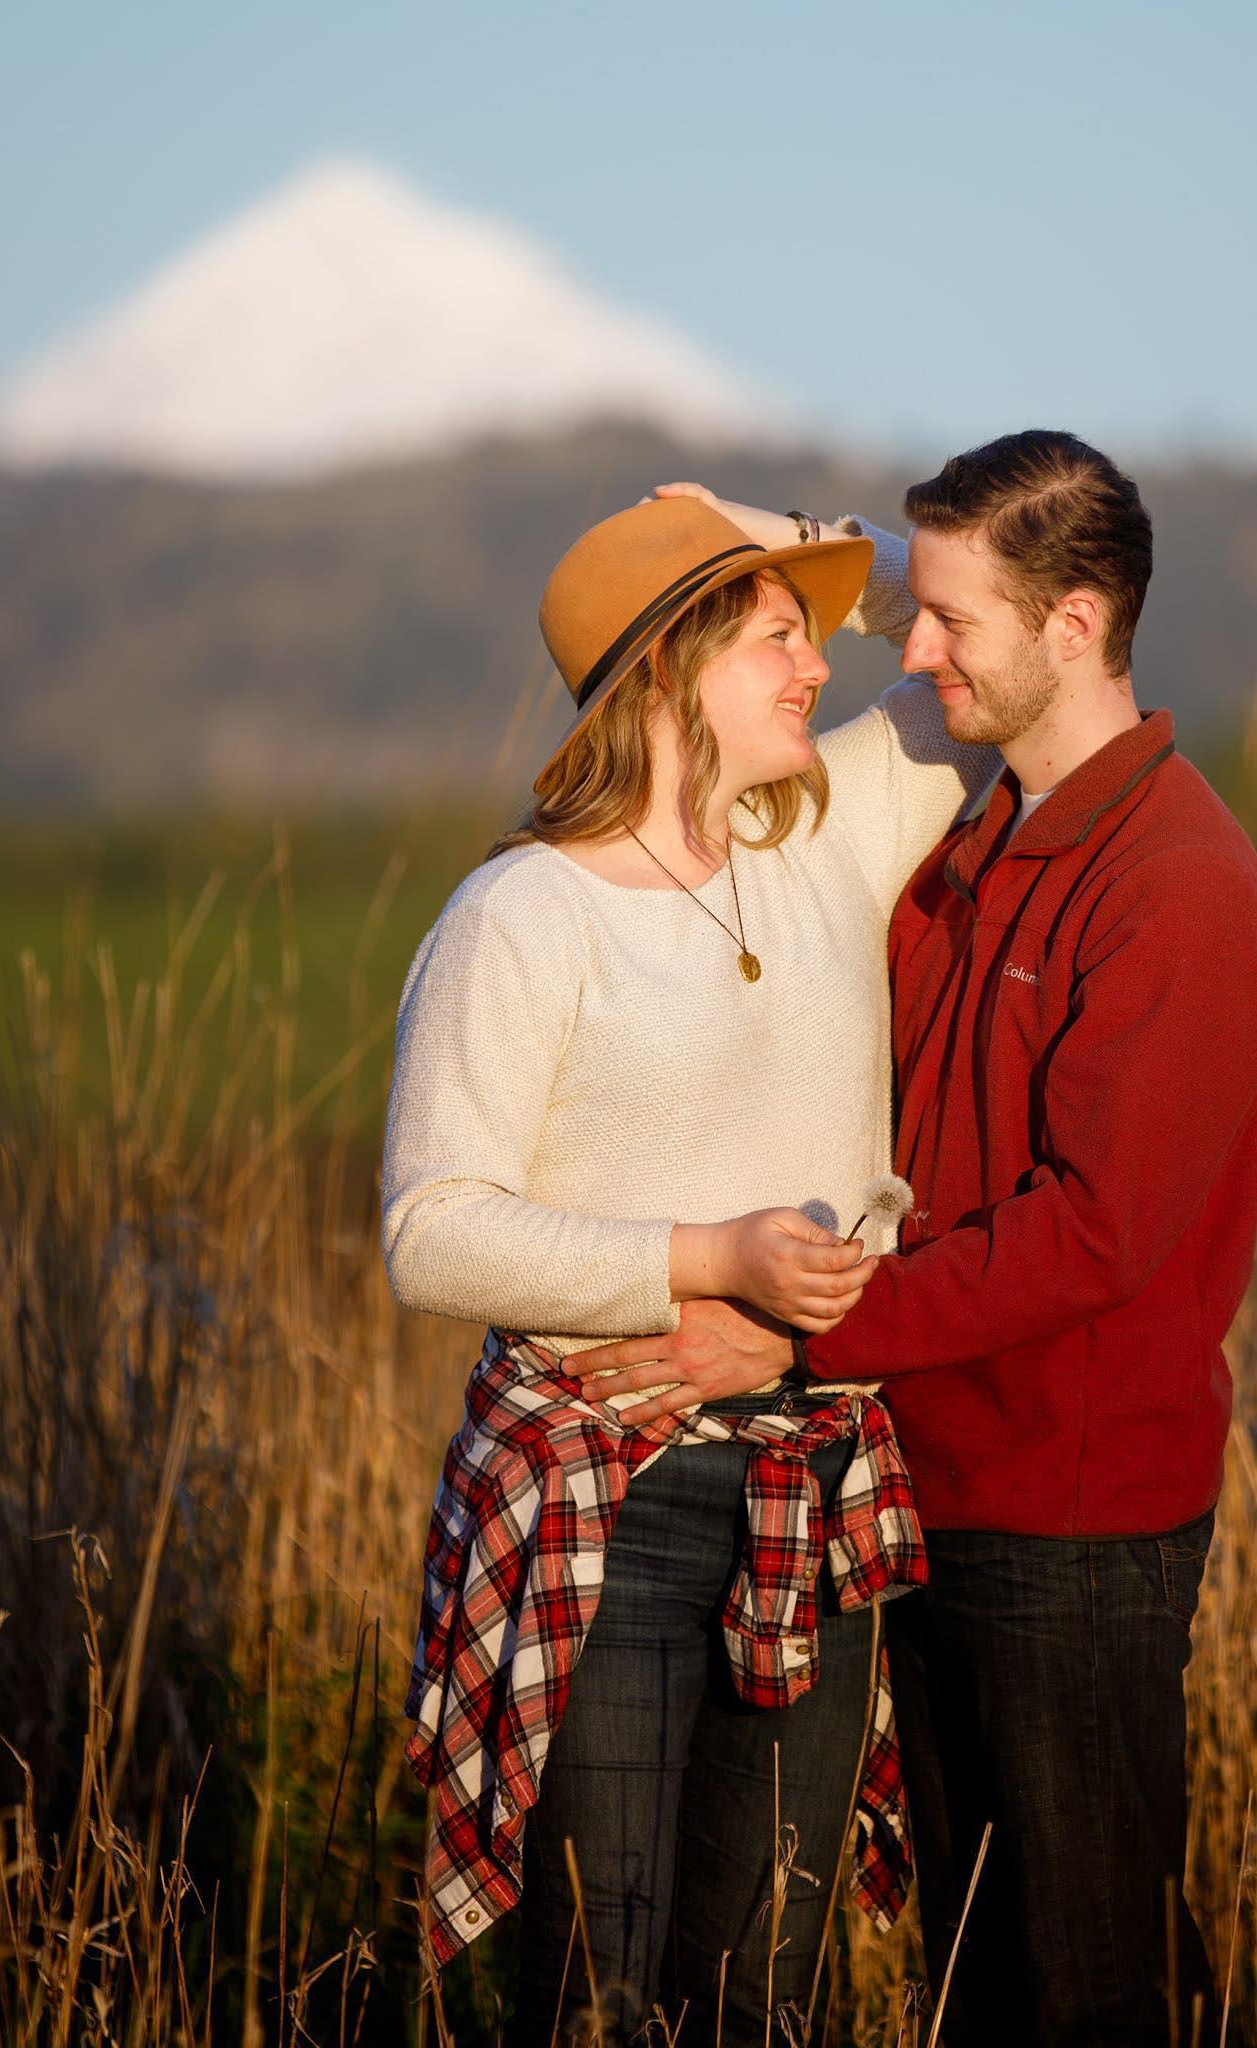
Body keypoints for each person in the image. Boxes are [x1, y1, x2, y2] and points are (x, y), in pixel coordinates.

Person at [571, 434, 1257, 2046]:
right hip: (922, 1497)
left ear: (1072, 624)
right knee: (979, 1983)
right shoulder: (976, 841)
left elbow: (1096, 1236)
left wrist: (801, 1332)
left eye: (950, 620)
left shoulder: (1178, 887)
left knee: (1083, 1986)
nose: (911, 651)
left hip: (1072, 1527)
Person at [383, 492, 998, 2044]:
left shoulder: (829, 841)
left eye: (813, 636)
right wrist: (701, 1257)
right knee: (592, 1979)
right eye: (775, 637)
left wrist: (800, 552)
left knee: (770, 1989)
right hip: (604, 1503)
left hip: (811, 1481)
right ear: (666, 670)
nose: (817, 668)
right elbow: (431, 1226)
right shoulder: (518, 917)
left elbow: (960, 678)